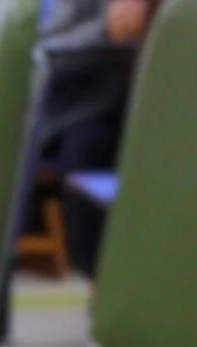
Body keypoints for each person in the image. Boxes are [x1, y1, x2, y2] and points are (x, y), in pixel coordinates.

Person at [41, 0, 157, 275]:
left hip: (123, 104)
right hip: (66, 103)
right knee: (87, 148)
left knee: (89, 150)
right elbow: (45, 42)